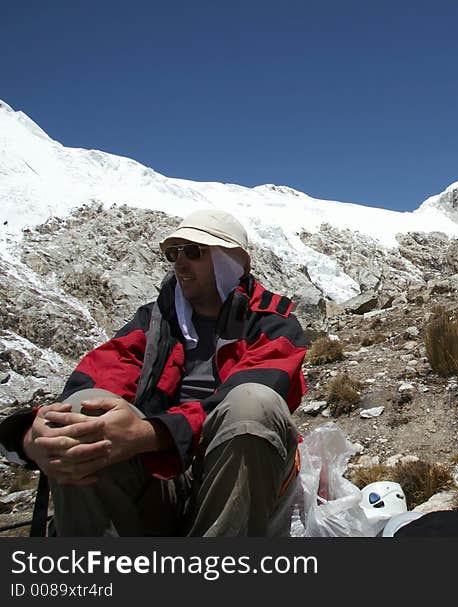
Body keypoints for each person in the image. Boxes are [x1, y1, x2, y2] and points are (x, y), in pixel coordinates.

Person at [0, 209, 308, 536]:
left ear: (233, 263)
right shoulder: (154, 321)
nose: (179, 263)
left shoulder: (271, 320)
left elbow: (258, 387)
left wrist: (151, 433)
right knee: (83, 408)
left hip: (235, 474)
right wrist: (33, 433)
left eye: (194, 252)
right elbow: (104, 372)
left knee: (253, 404)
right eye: (173, 253)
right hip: (158, 474)